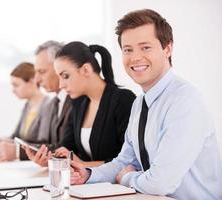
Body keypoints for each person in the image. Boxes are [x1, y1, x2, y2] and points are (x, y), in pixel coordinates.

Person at [70, 9, 222, 200]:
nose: (135, 58)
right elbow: (125, 160)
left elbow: (160, 183)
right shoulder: (140, 102)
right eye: (128, 50)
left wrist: (126, 178)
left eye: (145, 47)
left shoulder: (184, 101)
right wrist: (88, 174)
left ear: (167, 48)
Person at [26, 41, 136, 167]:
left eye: (65, 76)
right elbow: (66, 148)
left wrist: (84, 165)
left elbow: (130, 160)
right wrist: (50, 159)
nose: (61, 85)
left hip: (116, 185)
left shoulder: (123, 100)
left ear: (85, 70)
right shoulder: (80, 104)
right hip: (87, 184)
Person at [24, 41, 73, 164]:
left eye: (42, 72)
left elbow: (67, 148)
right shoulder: (53, 103)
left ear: (59, 67)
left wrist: (16, 151)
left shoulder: (78, 101)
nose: (36, 80)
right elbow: (46, 143)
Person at [0, 62, 51, 161]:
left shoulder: (49, 105)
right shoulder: (27, 106)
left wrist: (14, 148)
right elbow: (16, 136)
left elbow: (43, 142)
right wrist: (4, 140)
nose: (13, 90)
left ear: (32, 82)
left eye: (16, 85)